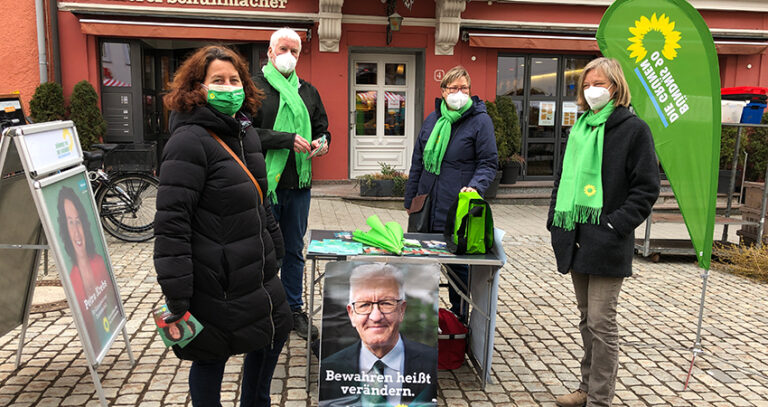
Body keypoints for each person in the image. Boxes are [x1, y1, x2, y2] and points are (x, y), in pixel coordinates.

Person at [154, 44, 292, 407]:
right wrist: (177, 293)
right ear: (197, 86)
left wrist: (275, 247)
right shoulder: (188, 140)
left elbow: (258, 199)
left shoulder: (245, 133)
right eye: (218, 80)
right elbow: (172, 224)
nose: (228, 87)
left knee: (274, 333)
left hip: (257, 274)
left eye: (235, 80)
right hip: (215, 281)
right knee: (210, 355)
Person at [547, 57, 660, 407]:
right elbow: (562, 178)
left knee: (601, 321)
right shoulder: (579, 127)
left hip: (608, 242)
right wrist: (555, 219)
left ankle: (599, 398)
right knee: (586, 321)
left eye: (600, 83)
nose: (592, 90)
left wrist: (616, 224)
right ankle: (585, 387)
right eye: (586, 84)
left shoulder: (634, 129)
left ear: (616, 87)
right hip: (576, 238)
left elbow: (647, 188)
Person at [252, 27, 331, 341]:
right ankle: (265, 310)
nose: (288, 56)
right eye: (282, 49)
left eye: (294, 51)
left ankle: (294, 309)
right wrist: (284, 140)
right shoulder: (254, 88)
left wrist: (323, 141)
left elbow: (324, 127)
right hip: (264, 184)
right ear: (270, 52)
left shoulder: (308, 91)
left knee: (295, 249)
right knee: (267, 252)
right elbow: (245, 133)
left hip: (299, 184)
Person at [403, 66, 497, 320]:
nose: (459, 93)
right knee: (422, 266)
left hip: (458, 207)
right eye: (453, 88)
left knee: (458, 269)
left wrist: (476, 186)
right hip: (426, 203)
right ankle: (422, 319)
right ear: (443, 91)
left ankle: (459, 319)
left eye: (463, 88)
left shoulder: (480, 121)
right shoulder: (433, 120)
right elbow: (418, 162)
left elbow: (488, 162)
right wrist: (410, 199)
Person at [319, 263, 437, 407]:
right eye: (364, 305)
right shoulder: (330, 368)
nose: (376, 316)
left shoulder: (431, 362)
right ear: (351, 314)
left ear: (402, 310)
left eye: (386, 303)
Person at [57, 186, 118, 351]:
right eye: (70, 223)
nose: (76, 231)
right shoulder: (72, 281)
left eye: (78, 221)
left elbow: (113, 308)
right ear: (64, 229)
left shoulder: (99, 263)